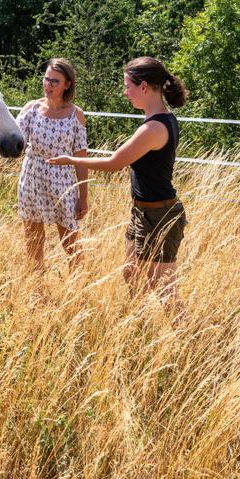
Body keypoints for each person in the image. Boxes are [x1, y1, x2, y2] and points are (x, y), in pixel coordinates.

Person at [47, 57, 188, 309]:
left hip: (160, 214)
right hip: (144, 211)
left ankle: (188, 341)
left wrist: (71, 159)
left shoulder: (154, 128)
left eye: (128, 86)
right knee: (132, 276)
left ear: (144, 86)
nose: (125, 92)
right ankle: (140, 332)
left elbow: (115, 163)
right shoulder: (161, 120)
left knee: (164, 289)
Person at [16, 58, 88, 269]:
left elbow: (81, 159)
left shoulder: (76, 115)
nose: (48, 85)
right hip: (32, 177)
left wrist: (83, 196)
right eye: (46, 79)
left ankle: (78, 288)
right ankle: (36, 288)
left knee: (70, 240)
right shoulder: (31, 109)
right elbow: (14, 140)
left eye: (55, 81)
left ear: (67, 84)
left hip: (63, 182)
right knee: (33, 238)